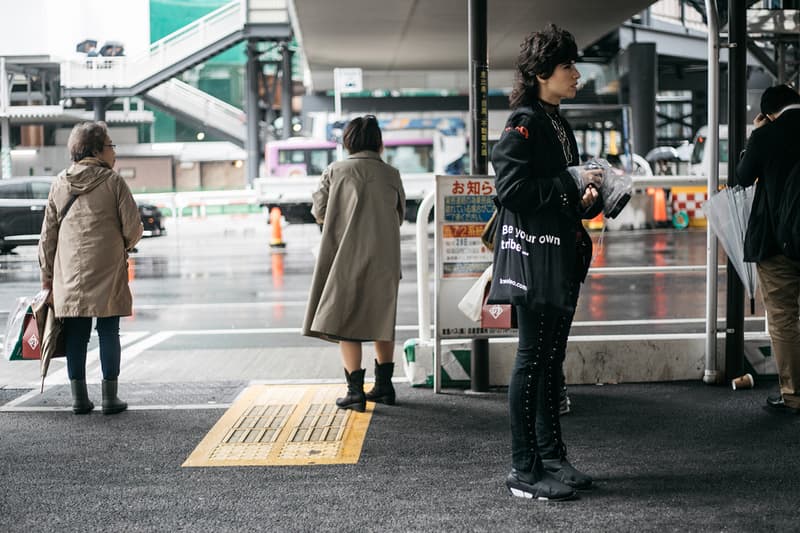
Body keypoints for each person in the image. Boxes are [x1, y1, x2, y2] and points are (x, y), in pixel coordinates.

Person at [491, 24, 605, 500]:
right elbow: (510, 190)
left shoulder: (555, 119)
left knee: (549, 362)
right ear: (541, 73)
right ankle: (524, 469)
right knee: (532, 361)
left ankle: (551, 457)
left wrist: (590, 198)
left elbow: (558, 191)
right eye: (567, 66)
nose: (577, 74)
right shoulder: (525, 121)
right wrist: (568, 182)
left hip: (558, 258)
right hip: (536, 261)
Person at [303, 115, 406, 412]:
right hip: (385, 258)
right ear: (379, 143)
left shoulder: (336, 171)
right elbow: (398, 217)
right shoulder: (392, 174)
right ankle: (385, 387)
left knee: (346, 321)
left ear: (348, 141)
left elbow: (319, 212)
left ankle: (355, 392)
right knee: (381, 320)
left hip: (345, 257)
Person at [39, 121, 143, 415]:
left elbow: (48, 236)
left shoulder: (59, 183)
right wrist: (120, 242)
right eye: (111, 145)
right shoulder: (114, 182)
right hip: (108, 270)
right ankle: (110, 398)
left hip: (70, 274)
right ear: (97, 150)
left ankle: (79, 399)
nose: (114, 152)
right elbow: (133, 229)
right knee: (109, 332)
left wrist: (46, 278)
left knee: (76, 335)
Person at [737, 84, 800, 414]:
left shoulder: (767, 135)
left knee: (784, 317)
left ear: (769, 113)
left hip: (777, 244)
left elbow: (743, 177)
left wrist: (755, 134)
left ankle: (793, 393)